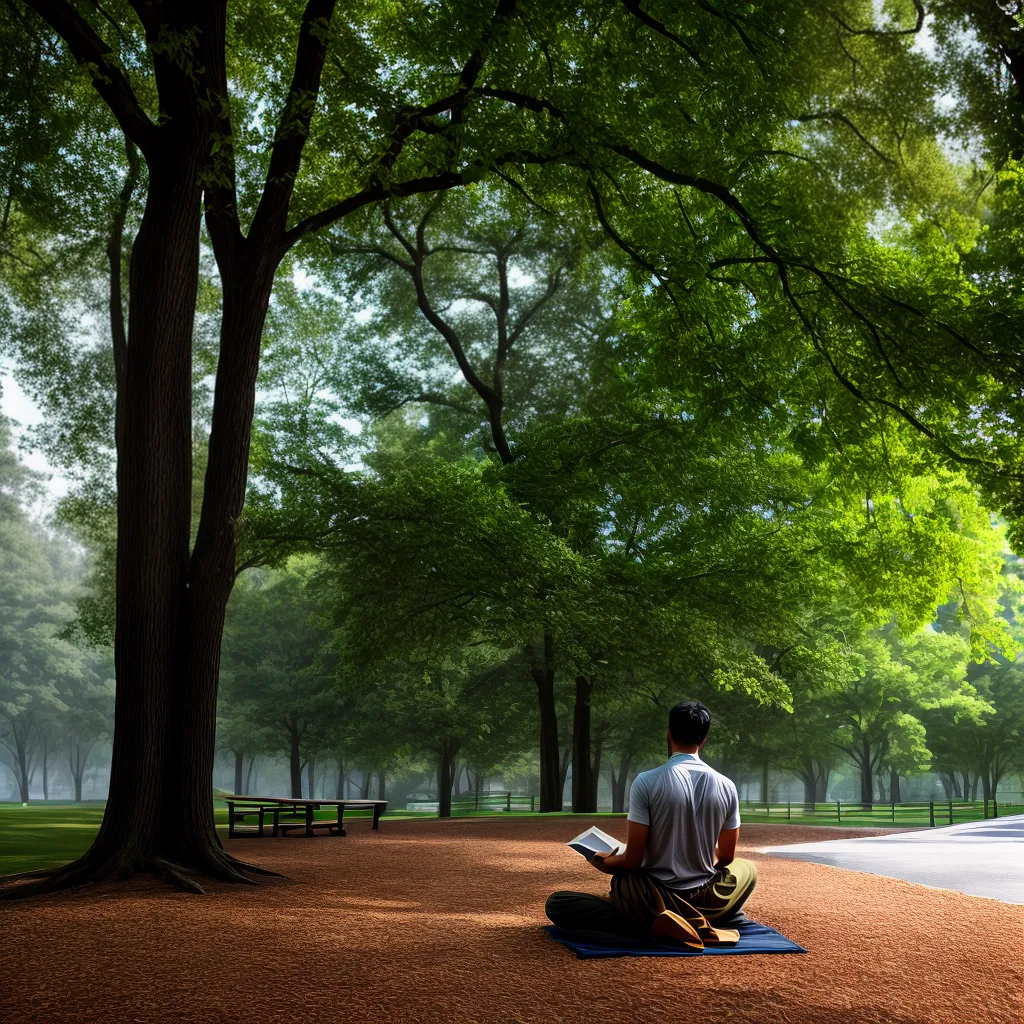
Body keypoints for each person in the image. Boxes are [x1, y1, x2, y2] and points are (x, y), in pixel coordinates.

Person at [545, 700, 757, 949]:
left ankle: (654, 925)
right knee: (746, 869)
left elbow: (633, 861)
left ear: (669, 734)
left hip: (650, 899)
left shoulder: (646, 782)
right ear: (704, 740)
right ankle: (700, 920)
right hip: (705, 898)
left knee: (559, 903)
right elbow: (727, 857)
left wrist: (600, 860)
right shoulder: (727, 786)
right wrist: (701, 860)